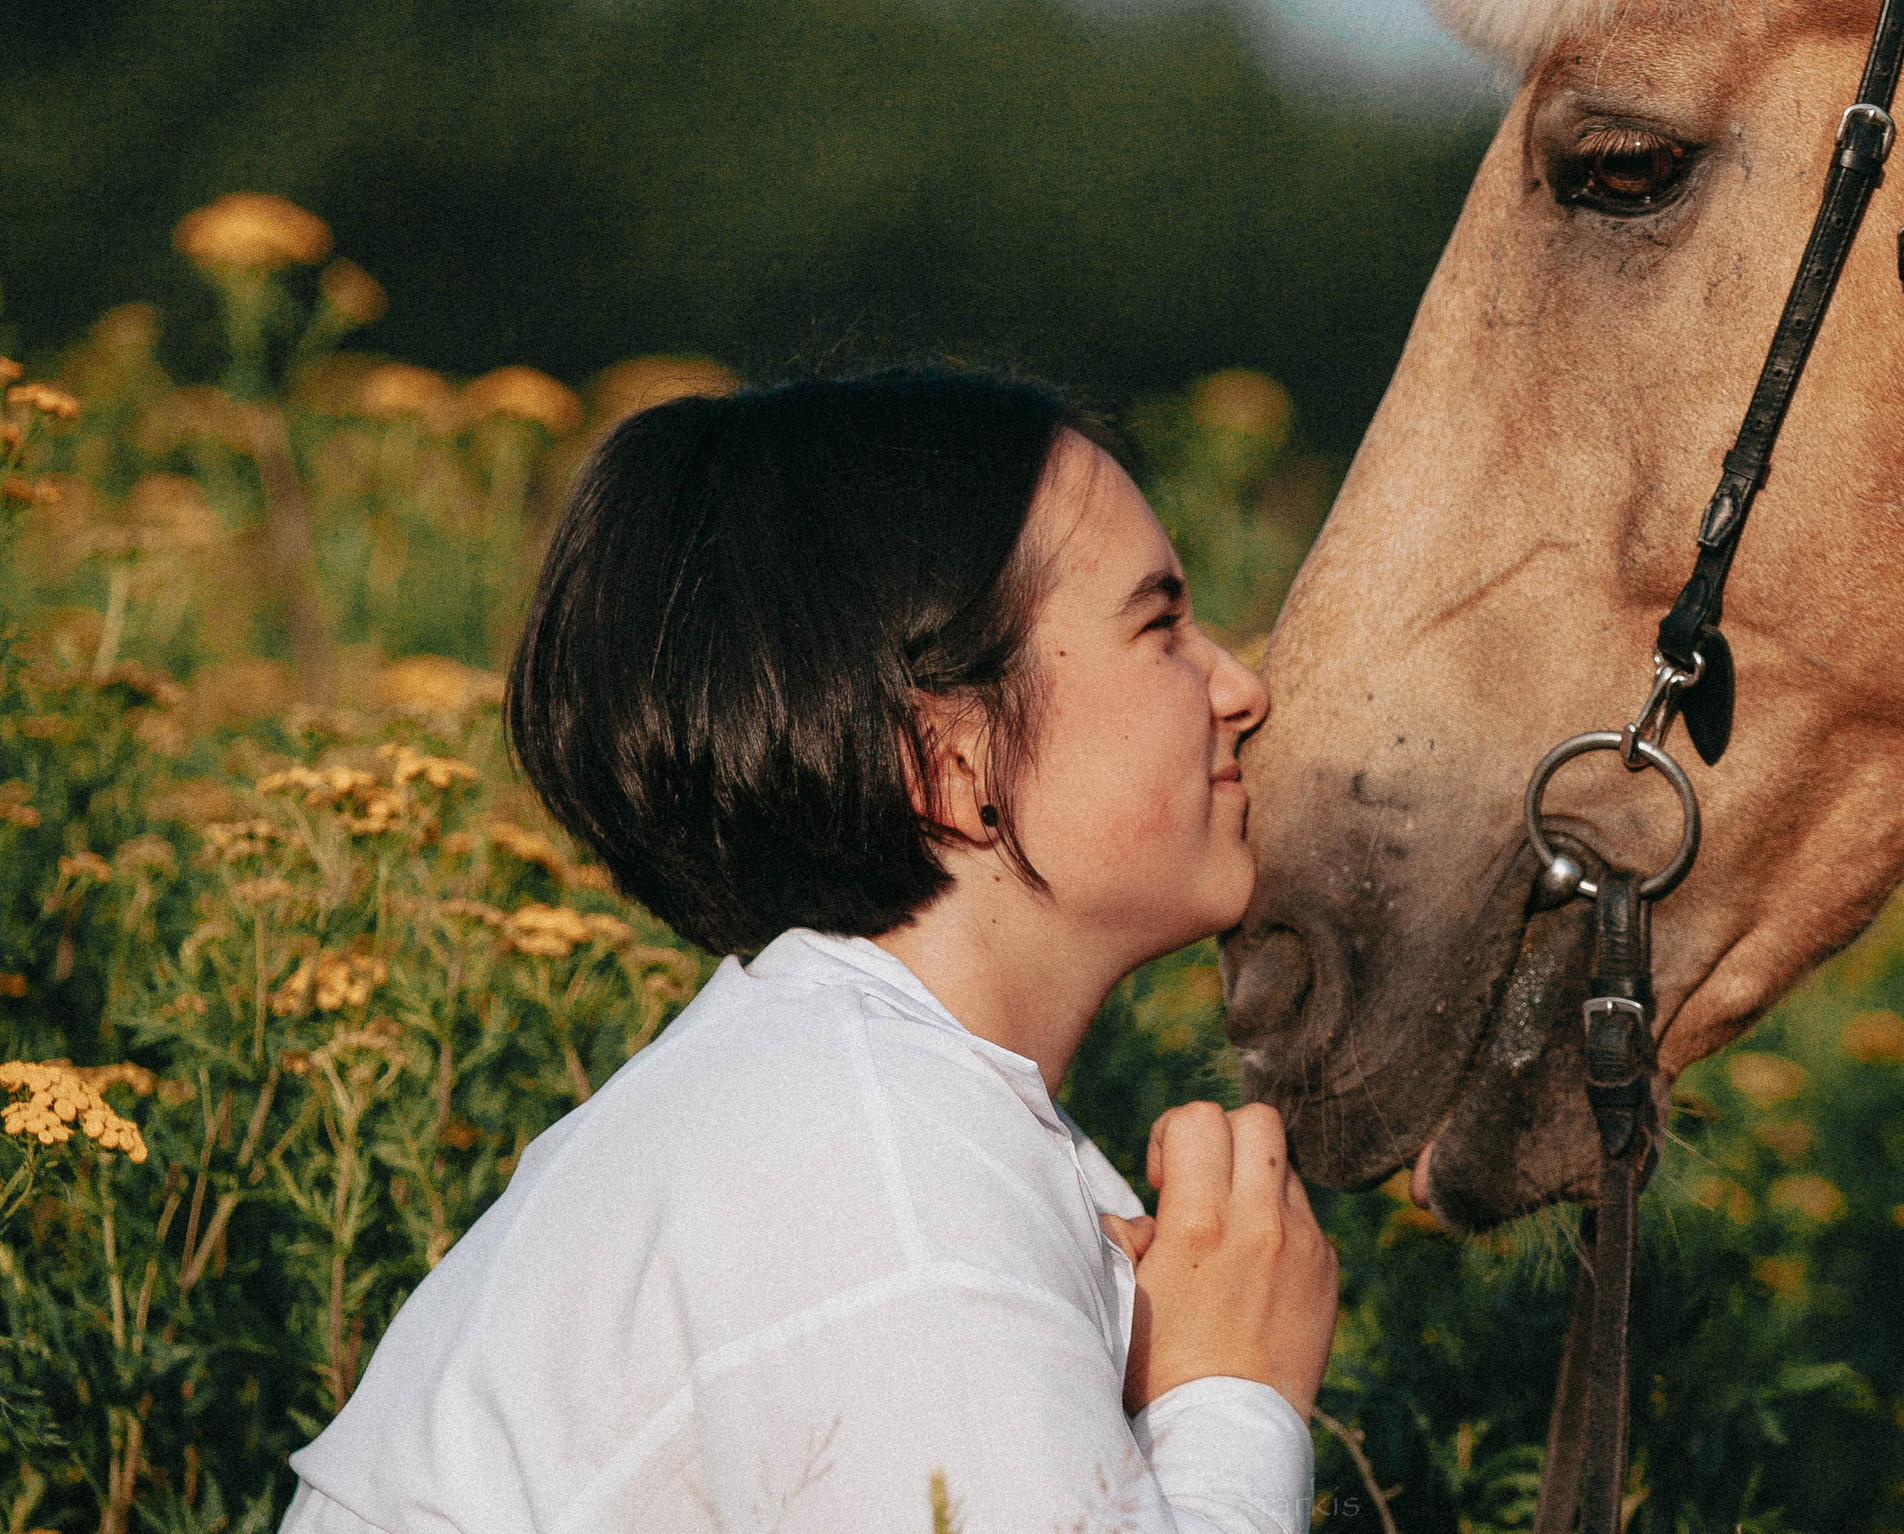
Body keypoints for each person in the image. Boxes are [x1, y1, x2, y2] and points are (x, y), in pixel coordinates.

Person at [279, 367, 1338, 1533]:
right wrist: (1230, 1394)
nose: (1243, 687)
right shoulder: (874, 1158)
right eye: (1160, 625)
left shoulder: (843, 1103)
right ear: (950, 757)